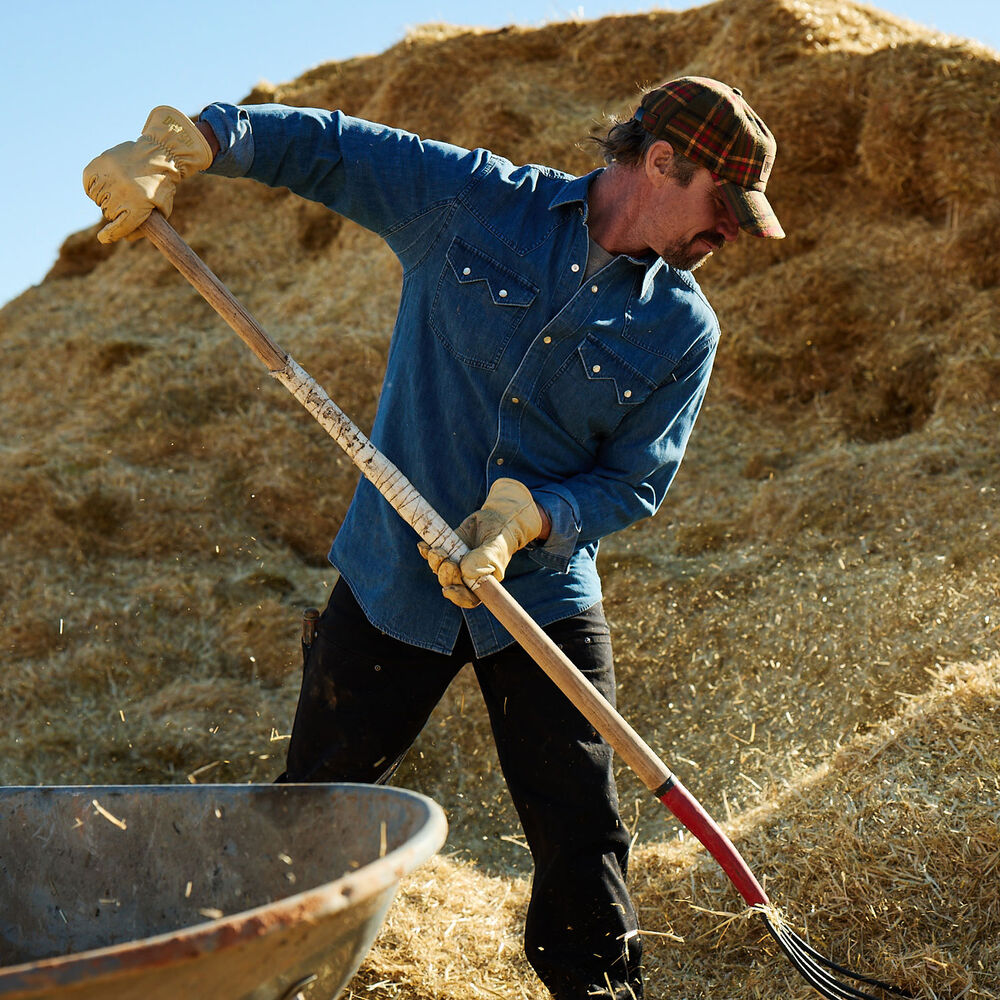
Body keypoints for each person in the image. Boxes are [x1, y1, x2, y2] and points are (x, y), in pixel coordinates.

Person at [83, 76, 783, 999]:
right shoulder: (474, 203)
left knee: (581, 828)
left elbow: (636, 481)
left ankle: (602, 991)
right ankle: (259, 977)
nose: (729, 231)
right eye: (722, 207)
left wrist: (529, 519)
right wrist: (194, 143)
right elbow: (334, 148)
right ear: (660, 163)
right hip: (390, 579)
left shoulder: (681, 328)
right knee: (318, 801)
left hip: (538, 594)